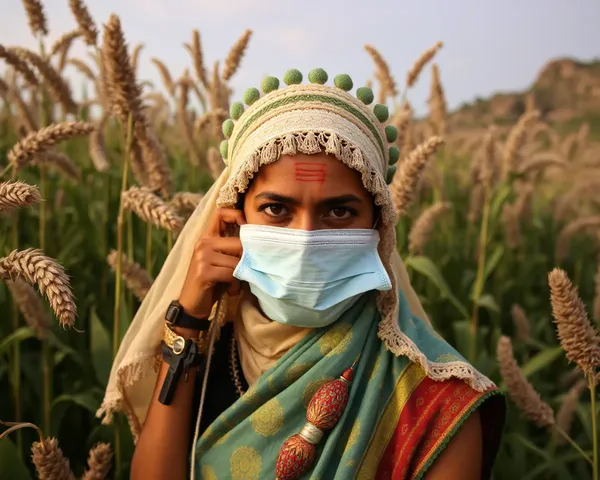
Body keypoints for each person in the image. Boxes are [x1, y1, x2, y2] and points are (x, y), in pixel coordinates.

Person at [98, 69, 505, 480]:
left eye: (339, 211)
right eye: (276, 209)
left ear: (378, 228)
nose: (307, 238)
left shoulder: (433, 401)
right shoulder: (201, 354)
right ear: (233, 221)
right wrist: (188, 319)